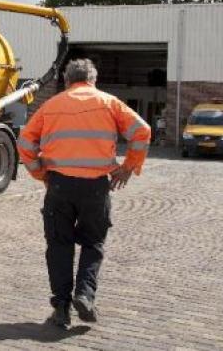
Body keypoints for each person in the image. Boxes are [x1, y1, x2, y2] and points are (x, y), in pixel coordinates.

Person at [17, 59, 151, 329]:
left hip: (59, 186)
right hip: (96, 187)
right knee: (93, 244)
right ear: (93, 80)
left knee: (59, 245)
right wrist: (128, 167)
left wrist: (40, 173)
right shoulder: (109, 102)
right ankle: (85, 295)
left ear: (67, 80)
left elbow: (24, 142)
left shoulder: (52, 104)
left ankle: (62, 308)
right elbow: (142, 131)